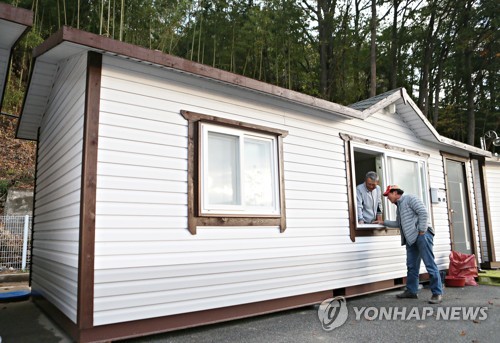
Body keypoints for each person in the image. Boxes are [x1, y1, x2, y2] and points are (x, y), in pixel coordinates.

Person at [382, 185, 443, 304]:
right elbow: (398, 224)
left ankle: (437, 293)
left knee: (429, 264)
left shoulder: (410, 198)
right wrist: (383, 222)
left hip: (422, 236)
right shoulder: (399, 207)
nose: (387, 198)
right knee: (411, 265)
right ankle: (411, 291)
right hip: (411, 239)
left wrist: (421, 230)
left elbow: (423, 213)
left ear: (395, 193)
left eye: (388, 195)